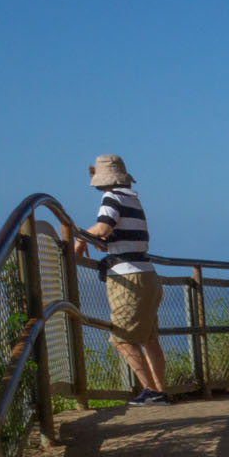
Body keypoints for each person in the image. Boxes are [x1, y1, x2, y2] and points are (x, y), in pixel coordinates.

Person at [74, 155, 169, 405]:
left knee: (122, 341)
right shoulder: (133, 199)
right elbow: (129, 237)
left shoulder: (111, 198)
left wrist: (80, 237)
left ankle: (150, 391)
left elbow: (103, 228)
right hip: (148, 274)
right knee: (149, 339)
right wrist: (108, 244)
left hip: (128, 277)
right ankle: (161, 392)